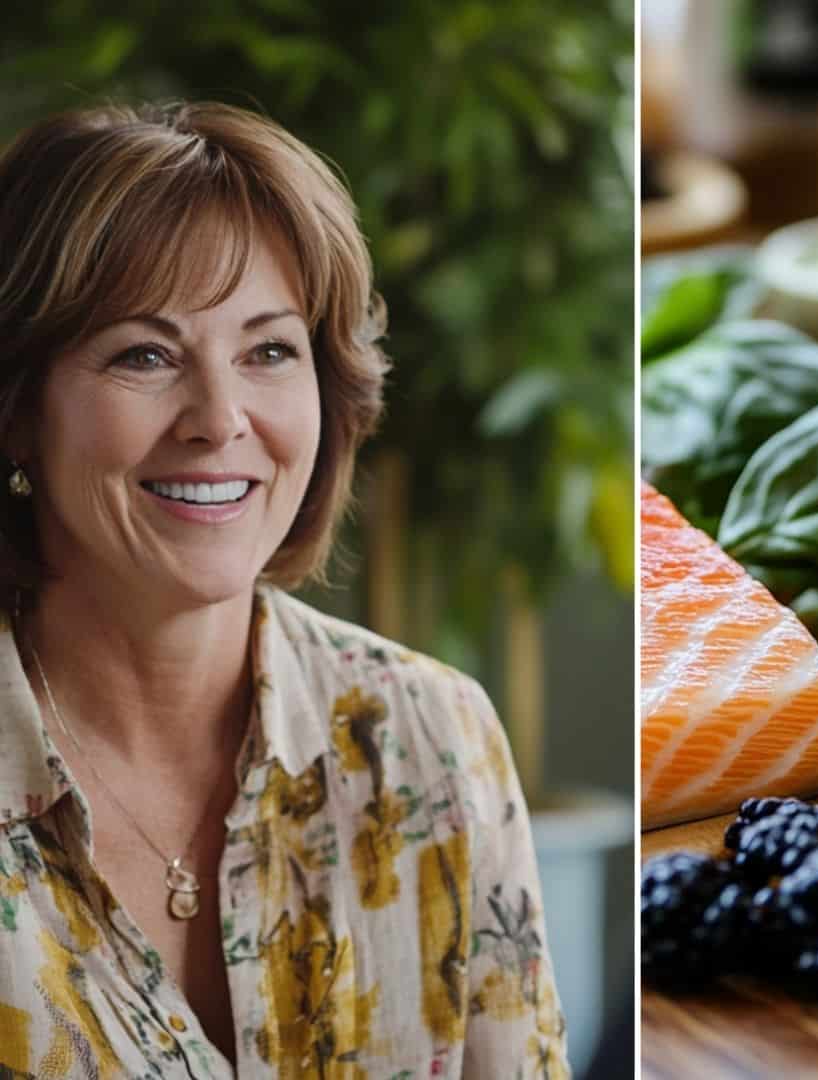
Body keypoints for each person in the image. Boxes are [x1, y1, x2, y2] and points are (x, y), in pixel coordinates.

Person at [0, 101, 567, 1075]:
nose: (220, 419)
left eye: (268, 350)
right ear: (17, 412)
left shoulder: (435, 740)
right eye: (144, 354)